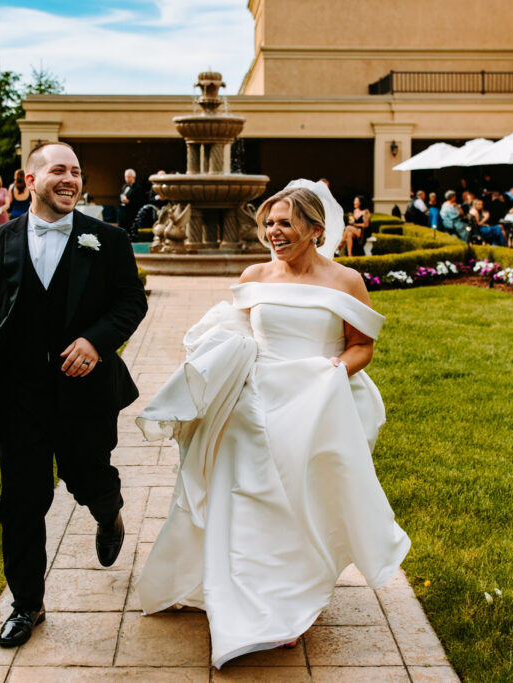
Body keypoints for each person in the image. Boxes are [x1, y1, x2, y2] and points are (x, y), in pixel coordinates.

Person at [134, 180, 409, 669]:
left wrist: (329, 375)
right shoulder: (256, 273)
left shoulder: (346, 282)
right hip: (252, 402)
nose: (273, 232)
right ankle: (240, 594)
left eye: (285, 223)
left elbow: (362, 347)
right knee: (242, 498)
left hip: (313, 401)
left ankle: (290, 601)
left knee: (300, 501)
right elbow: (237, 333)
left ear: (315, 229)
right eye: (268, 223)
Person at [0, 141, 147, 648]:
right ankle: (27, 605)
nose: (71, 179)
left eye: (77, 171)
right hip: (18, 395)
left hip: (85, 394)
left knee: (88, 478)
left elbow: (130, 303)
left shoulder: (107, 239)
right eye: (59, 169)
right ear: (29, 177)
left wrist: (96, 341)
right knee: (21, 501)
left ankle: (109, 511)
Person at [118, 169, 146, 239]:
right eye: (125, 177)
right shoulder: (124, 186)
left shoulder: (138, 188)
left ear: (133, 177)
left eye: (128, 177)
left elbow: (141, 201)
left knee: (131, 233)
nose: (126, 178)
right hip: (123, 212)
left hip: (131, 213)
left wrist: (129, 202)